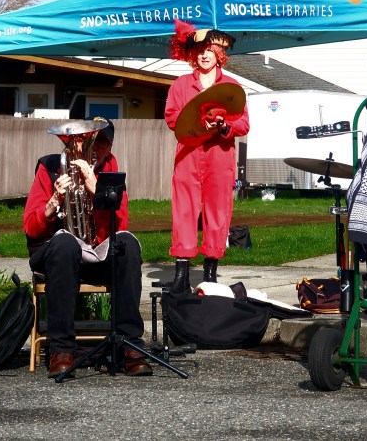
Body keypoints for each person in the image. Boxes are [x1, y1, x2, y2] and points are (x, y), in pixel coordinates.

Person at [23, 118, 152, 378]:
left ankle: (130, 346)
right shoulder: (50, 167)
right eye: (86, 140)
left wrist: (97, 190)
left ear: (110, 146)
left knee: (127, 244)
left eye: (102, 142)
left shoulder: (111, 172)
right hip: (60, 257)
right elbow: (31, 227)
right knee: (65, 243)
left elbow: (120, 225)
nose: (94, 148)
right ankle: (61, 350)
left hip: (97, 255)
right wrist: (53, 202)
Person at [163, 20, 250, 293]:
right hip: (188, 153)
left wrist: (224, 126)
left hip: (219, 155)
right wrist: (197, 122)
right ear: (193, 54)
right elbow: (172, 117)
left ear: (219, 54)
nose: (204, 55)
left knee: (218, 210)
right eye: (199, 50)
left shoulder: (232, 86)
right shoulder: (180, 85)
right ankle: (181, 274)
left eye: (209, 50)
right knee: (184, 210)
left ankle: (210, 273)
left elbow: (243, 124)